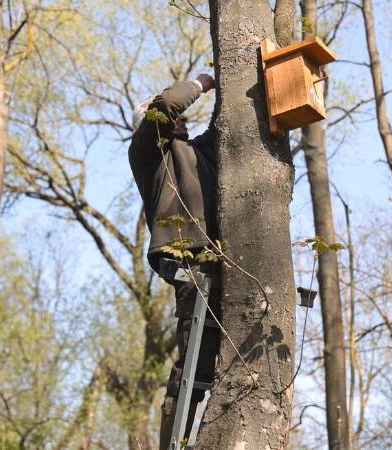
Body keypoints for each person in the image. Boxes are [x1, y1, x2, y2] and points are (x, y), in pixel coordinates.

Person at [129, 73, 220, 449]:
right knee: (193, 363)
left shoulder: (198, 152)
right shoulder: (149, 153)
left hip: (220, 258)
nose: (180, 117)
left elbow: (224, 125)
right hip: (186, 259)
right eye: (171, 116)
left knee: (216, 363)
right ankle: (173, 442)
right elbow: (167, 106)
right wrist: (204, 81)